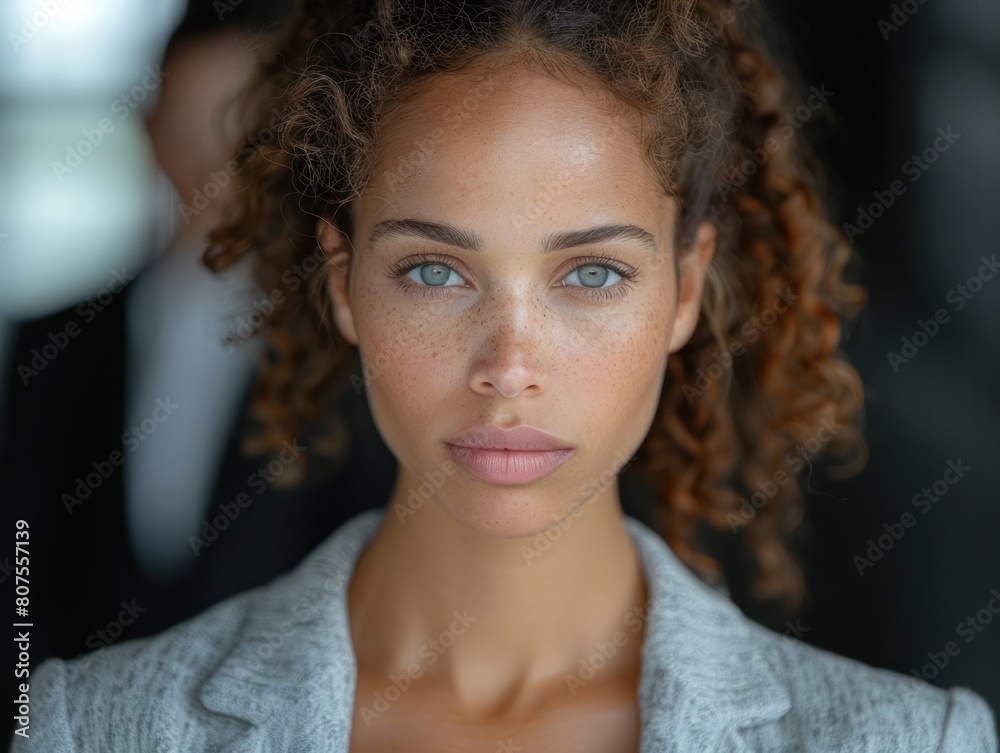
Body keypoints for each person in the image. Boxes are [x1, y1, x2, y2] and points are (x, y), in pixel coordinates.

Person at [12, 0, 998, 750]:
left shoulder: (909, 740)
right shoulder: (83, 728)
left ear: (686, 288)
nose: (508, 367)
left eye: (592, 274)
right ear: (342, 283)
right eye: (434, 270)